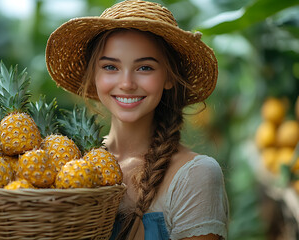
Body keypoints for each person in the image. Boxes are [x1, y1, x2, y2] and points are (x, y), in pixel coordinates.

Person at [45, 0, 229, 239]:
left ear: (169, 77)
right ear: (94, 76)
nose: (127, 84)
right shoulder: (70, 165)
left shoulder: (195, 176)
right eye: (111, 67)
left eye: (145, 68)